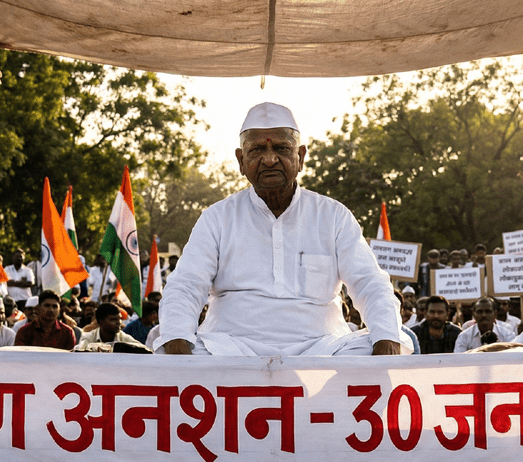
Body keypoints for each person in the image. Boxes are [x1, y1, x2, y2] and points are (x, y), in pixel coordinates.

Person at [158, 102, 406, 357]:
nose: (269, 159)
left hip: (323, 349)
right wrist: (178, 344)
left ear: (301, 157)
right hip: (230, 349)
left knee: (384, 341)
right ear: (241, 160)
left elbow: (370, 283)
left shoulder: (333, 216)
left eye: (281, 148)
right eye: (257, 150)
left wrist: (386, 339)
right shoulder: (217, 218)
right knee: (172, 346)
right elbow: (185, 286)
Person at [78, 302, 148, 349]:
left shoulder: (124, 338)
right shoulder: (87, 338)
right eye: (113, 319)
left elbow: (145, 350)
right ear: (101, 322)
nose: (119, 322)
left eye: (120, 319)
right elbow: (78, 352)